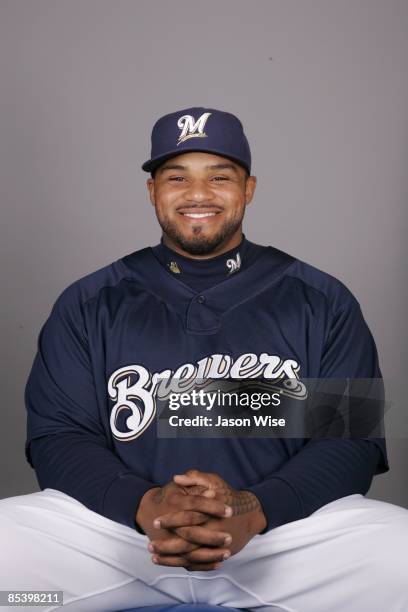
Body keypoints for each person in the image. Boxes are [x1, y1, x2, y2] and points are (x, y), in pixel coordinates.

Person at [0, 106, 407, 612]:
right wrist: (147, 505)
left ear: (249, 188)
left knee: (402, 557)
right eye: (177, 178)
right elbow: (58, 439)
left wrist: (253, 509)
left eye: (220, 176)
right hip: (123, 541)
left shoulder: (321, 299)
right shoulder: (89, 303)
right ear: (153, 191)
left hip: (280, 542)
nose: (198, 194)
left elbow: (350, 444)